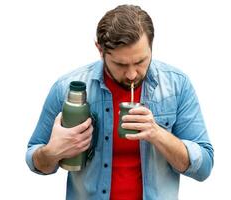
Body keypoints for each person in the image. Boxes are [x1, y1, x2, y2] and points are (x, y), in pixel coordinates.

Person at [26, 4, 214, 200]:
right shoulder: (67, 88)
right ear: (100, 50)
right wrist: (52, 152)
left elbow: (204, 167)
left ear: (151, 47)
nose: (132, 74)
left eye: (141, 61)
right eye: (120, 64)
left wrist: (157, 134)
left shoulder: (177, 85)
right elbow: (36, 162)